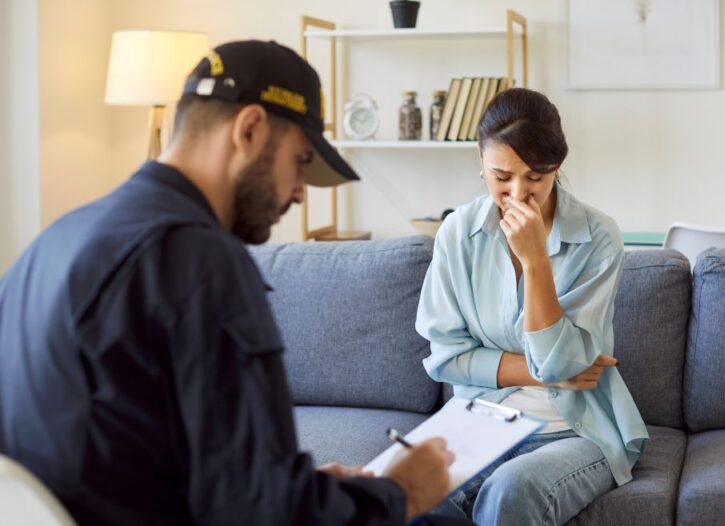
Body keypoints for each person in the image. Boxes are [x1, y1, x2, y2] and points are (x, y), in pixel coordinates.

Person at [0, 40, 462, 526]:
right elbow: (262, 511)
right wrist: (400, 493)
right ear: (250, 130)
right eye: (301, 160)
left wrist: (300, 486)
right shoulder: (200, 261)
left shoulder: (54, 242)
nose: (299, 193)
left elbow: (154, 456)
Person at [416, 88, 649, 526]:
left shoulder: (598, 237)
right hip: (479, 420)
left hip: (573, 429)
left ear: (557, 167)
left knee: (512, 489)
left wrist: (536, 260)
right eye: (502, 176)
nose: (518, 194)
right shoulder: (457, 233)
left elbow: (559, 360)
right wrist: (544, 373)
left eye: (536, 177)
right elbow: (446, 357)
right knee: (405, 492)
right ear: (480, 160)